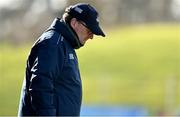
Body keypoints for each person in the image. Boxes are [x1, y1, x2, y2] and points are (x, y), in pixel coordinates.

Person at [18, 3, 105, 116]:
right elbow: (40, 87)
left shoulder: (62, 44)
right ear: (74, 23)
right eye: (89, 31)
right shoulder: (53, 44)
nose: (91, 36)